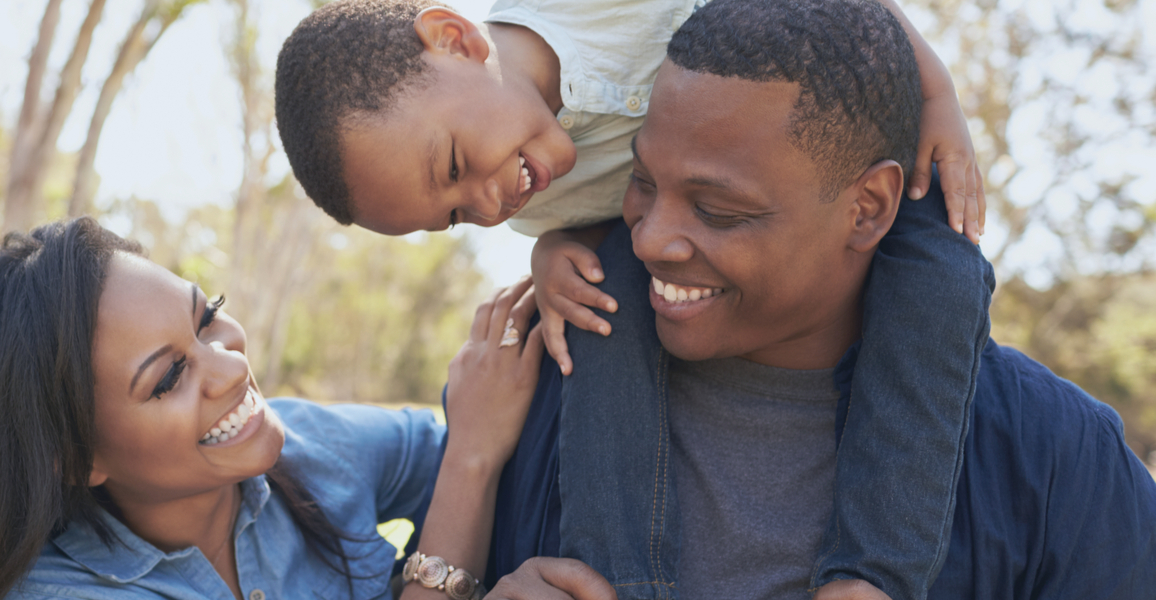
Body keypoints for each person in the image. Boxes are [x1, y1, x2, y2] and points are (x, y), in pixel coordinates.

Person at [275, 1, 989, 597]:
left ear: (455, 39)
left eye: (457, 165)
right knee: (596, 302)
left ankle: (873, 575)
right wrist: (549, 249)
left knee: (945, 273)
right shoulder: (529, 198)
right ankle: (616, 578)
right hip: (693, 251)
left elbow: (841, 15)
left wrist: (934, 97)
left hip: (847, 170)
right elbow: (596, 223)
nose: (489, 202)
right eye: (456, 215)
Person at [477, 0, 1156, 598]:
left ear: (869, 207)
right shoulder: (525, 399)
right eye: (644, 182)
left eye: (718, 210)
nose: (652, 240)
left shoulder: (1059, 462)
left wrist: (939, 97)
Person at [0, 217, 547, 600]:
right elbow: (472, 452)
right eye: (170, 376)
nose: (232, 367)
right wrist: (470, 462)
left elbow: (517, 459)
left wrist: (565, 256)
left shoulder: (311, 445)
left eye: (207, 319)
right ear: (74, 457)